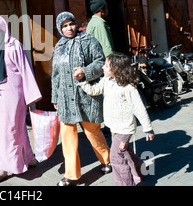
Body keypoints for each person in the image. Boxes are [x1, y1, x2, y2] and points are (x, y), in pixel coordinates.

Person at [0, 15, 42, 184]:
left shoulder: (14, 46)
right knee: (7, 130)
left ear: (3, 30)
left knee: (10, 131)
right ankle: (29, 158)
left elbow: (25, 69)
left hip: (13, 95)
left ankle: (5, 167)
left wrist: (31, 96)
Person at [51, 11, 111, 186]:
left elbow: (101, 62)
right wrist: (55, 97)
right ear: (59, 28)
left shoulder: (89, 40)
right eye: (64, 25)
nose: (69, 28)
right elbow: (55, 75)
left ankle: (106, 160)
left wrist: (86, 71)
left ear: (76, 24)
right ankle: (71, 175)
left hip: (86, 95)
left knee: (92, 132)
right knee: (68, 137)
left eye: (71, 24)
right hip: (64, 98)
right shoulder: (59, 46)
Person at [79, 52, 155, 186]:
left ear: (116, 69)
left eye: (107, 66)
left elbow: (139, 109)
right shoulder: (107, 80)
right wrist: (83, 83)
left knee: (116, 156)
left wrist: (148, 128)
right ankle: (140, 169)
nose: (103, 67)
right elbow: (95, 90)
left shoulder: (128, 88)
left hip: (125, 129)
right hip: (113, 126)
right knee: (125, 152)